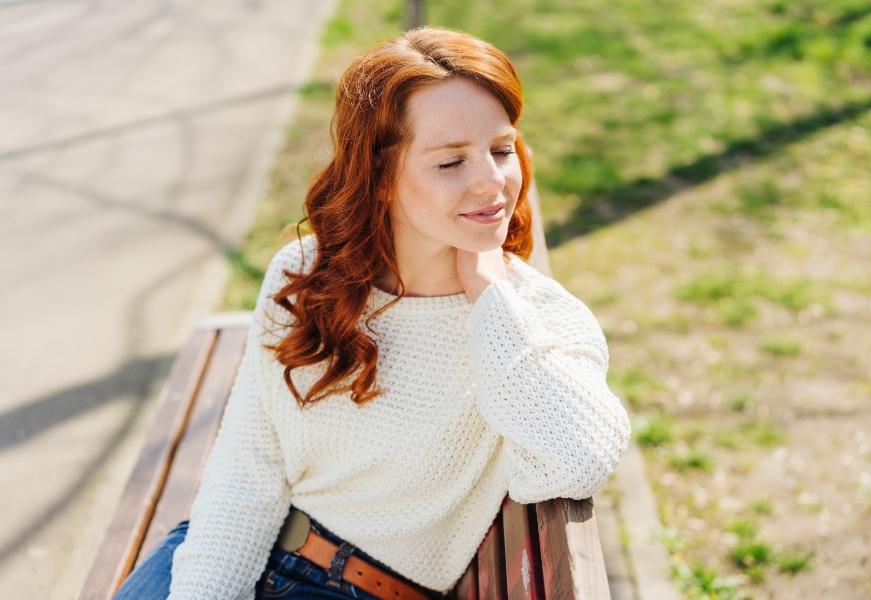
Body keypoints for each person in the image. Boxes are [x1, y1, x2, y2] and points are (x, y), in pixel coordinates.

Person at [114, 25, 631, 600]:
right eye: (450, 162)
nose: (492, 183)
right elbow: (249, 467)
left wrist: (488, 289)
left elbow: (580, 459)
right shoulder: (306, 274)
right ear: (380, 177)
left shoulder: (536, 320)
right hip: (228, 545)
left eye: (502, 150)